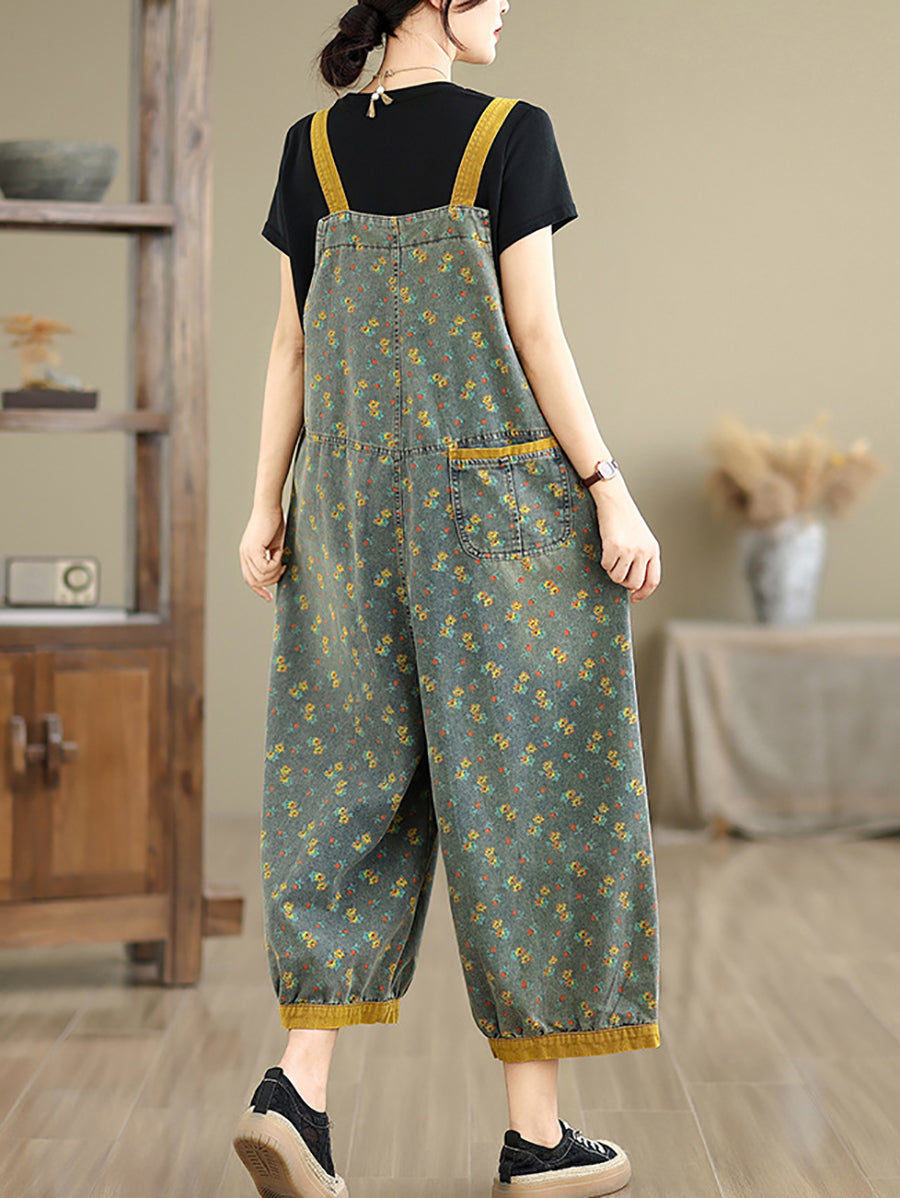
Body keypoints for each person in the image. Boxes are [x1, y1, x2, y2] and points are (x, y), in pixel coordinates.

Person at [233, 2, 663, 1195]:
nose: (509, 5)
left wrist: (265, 504)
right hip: (496, 515)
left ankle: (297, 1091)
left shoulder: (312, 149)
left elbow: (291, 348)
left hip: (344, 512)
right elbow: (537, 333)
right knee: (530, 793)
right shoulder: (510, 134)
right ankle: (536, 1135)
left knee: (344, 783)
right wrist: (608, 487)